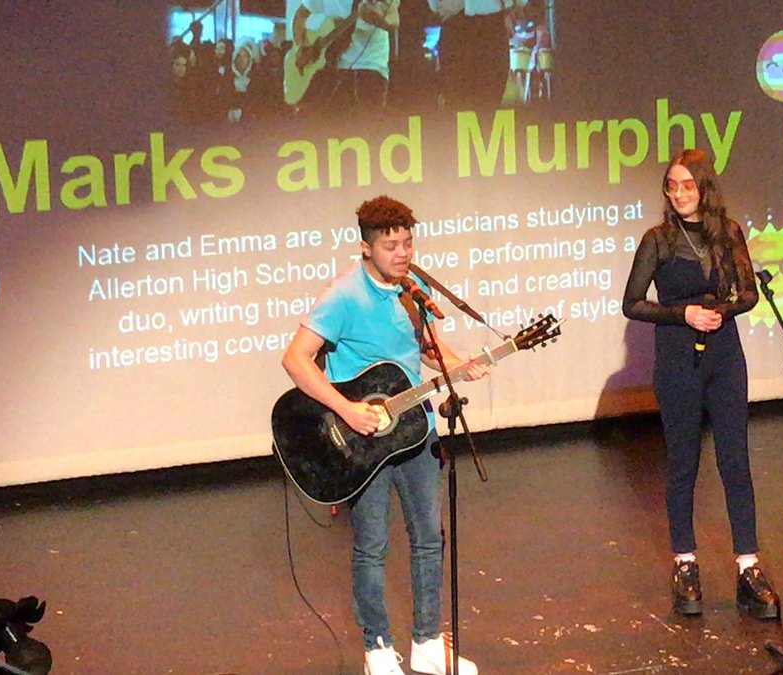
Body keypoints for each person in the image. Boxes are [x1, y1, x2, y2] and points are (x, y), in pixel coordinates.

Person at [282, 196, 488, 675]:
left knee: (428, 540)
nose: (401, 253)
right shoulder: (344, 296)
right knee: (372, 545)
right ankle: (377, 650)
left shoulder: (412, 290)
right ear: (367, 247)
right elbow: (295, 359)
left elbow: (424, 350)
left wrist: (464, 366)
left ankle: (428, 644)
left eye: (407, 243)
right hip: (362, 441)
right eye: (391, 245)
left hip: (416, 430)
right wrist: (347, 409)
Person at [621, 149, 781, 620]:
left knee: (736, 460)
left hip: (725, 357)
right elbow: (632, 302)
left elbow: (749, 292)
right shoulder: (658, 240)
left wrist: (722, 310)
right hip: (677, 360)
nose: (679, 193)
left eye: (688, 184)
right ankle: (685, 563)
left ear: (704, 188)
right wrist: (682, 313)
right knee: (684, 462)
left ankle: (748, 567)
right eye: (672, 185)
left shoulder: (728, 233)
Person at [290, 0, 399, 111]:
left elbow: (394, 20)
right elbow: (300, 15)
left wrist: (378, 20)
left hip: (371, 67)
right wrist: (302, 46)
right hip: (336, 68)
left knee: (367, 123)